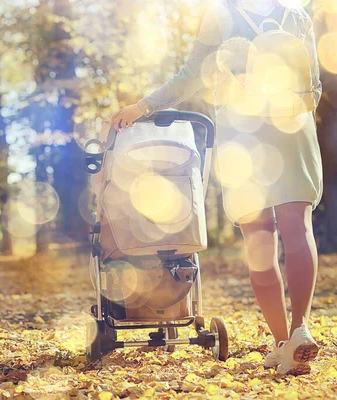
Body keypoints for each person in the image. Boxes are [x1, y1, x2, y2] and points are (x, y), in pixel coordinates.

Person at [109, 0, 323, 375]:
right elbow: (314, 86)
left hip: (245, 132)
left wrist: (142, 107)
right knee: (297, 227)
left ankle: (282, 343)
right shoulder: (296, 14)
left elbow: (191, 75)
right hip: (293, 124)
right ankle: (299, 329)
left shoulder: (221, 14)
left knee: (260, 238)